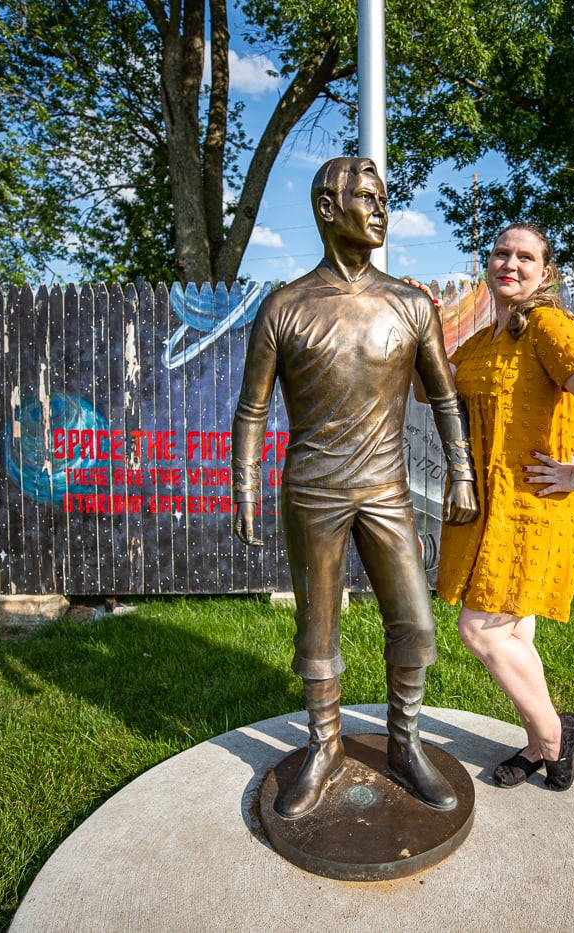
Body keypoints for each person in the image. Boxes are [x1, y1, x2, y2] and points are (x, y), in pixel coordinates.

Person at [231, 157, 480, 820]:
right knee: (317, 631)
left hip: (386, 490)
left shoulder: (410, 304)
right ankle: (324, 747)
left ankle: (405, 742)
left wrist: (462, 469)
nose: (380, 211)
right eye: (365, 198)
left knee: (417, 624)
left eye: (383, 199)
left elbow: (445, 396)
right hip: (313, 490)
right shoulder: (285, 306)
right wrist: (245, 487)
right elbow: (252, 408)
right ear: (325, 208)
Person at [436, 222, 574, 792]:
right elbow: (438, 385)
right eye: (500, 253)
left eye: (525, 257)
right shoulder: (489, 335)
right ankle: (537, 740)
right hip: (495, 508)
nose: (509, 264)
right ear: (487, 265)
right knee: (514, 633)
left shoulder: (545, 325)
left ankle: (551, 736)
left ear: (545, 273)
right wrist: (420, 324)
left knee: (481, 631)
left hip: (535, 508)